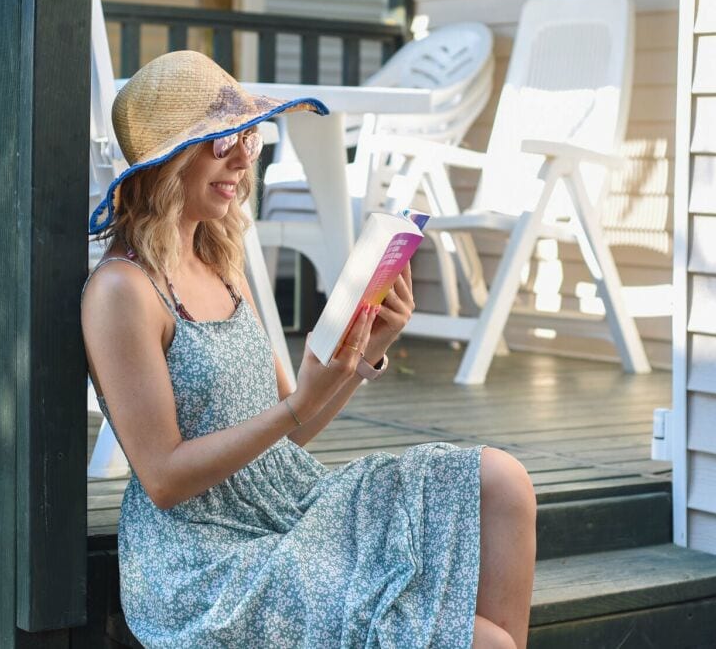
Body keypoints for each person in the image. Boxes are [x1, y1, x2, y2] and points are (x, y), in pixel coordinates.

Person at [82, 51, 536, 648]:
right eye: (224, 142)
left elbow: (283, 435)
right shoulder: (123, 290)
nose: (245, 159)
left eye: (250, 136)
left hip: (286, 500)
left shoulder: (219, 260)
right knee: (483, 644)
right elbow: (164, 477)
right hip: (205, 559)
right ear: (169, 158)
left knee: (502, 481)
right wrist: (300, 403)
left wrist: (359, 358)